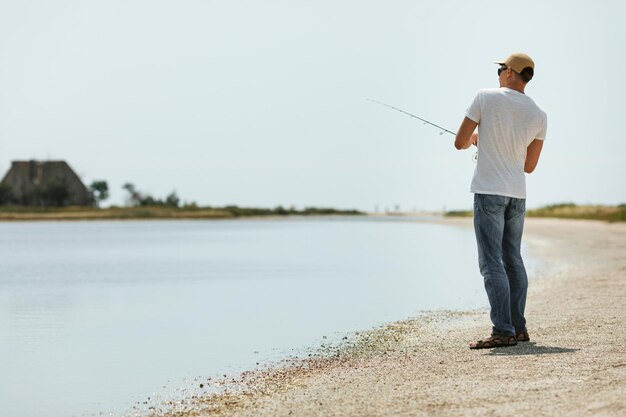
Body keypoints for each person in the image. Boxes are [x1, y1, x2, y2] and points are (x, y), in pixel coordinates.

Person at [454, 52, 547, 349]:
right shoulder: (539, 115)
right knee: (513, 260)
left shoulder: (485, 97)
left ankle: (503, 331)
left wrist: (477, 139)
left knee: (492, 263)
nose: (498, 74)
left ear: (509, 72)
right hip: (517, 195)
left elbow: (459, 142)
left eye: (500, 69)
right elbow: (529, 166)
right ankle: (518, 328)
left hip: (489, 192)